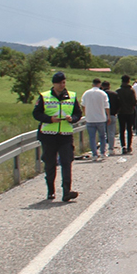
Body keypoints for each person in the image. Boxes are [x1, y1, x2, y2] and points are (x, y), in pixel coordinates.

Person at [33, 71, 82, 202]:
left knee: (67, 162)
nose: (62, 85)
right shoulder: (44, 96)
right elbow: (36, 114)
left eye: (64, 82)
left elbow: (78, 113)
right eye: (60, 83)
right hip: (48, 135)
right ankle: (51, 191)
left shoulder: (71, 96)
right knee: (50, 164)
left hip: (65, 135)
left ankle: (67, 191)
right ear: (54, 84)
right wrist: (49, 119)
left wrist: (72, 119)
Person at [82, 78, 110, 162]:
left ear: (92, 84)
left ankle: (94, 154)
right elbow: (107, 106)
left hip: (90, 119)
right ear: (100, 84)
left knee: (92, 137)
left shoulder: (86, 93)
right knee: (102, 136)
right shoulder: (103, 93)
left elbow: (83, 105)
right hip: (101, 118)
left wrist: (86, 113)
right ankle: (102, 153)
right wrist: (108, 116)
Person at [116, 75, 135, 154]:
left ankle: (123, 146)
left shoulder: (118, 91)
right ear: (129, 81)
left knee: (122, 129)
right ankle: (129, 146)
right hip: (130, 112)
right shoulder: (131, 90)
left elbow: (116, 101)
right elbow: (134, 101)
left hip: (121, 112)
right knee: (129, 129)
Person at [102, 81, 117, 156]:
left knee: (102, 133)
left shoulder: (100, 94)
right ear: (109, 86)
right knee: (111, 133)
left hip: (101, 116)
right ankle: (111, 149)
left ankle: (103, 150)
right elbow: (119, 104)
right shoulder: (114, 94)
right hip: (112, 114)